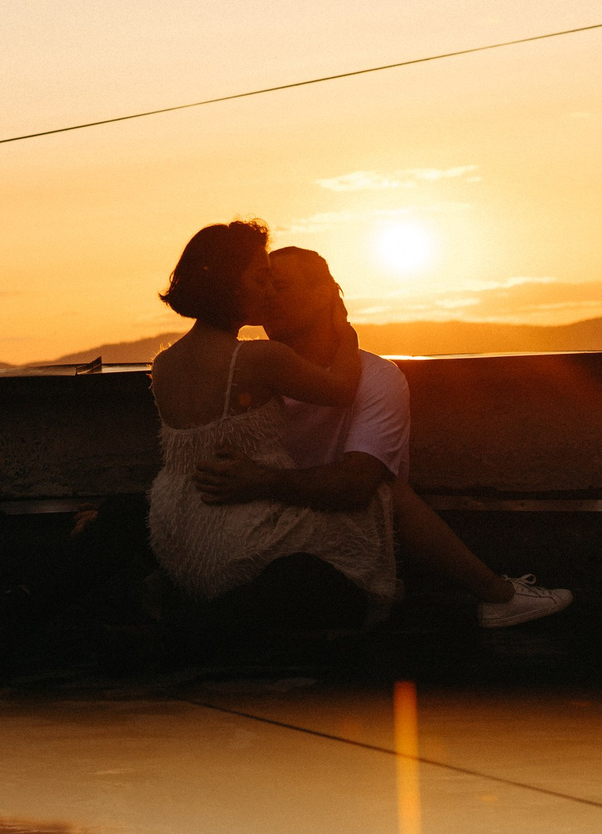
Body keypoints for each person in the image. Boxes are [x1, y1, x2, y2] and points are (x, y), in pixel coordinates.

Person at [192, 246, 573, 629]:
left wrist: (261, 481)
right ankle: (495, 596)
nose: (268, 296)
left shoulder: (375, 377)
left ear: (324, 293)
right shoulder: (248, 374)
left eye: (281, 286)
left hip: (335, 531)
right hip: (259, 531)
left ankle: (495, 595)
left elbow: (358, 483)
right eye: (262, 286)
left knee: (382, 489)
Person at [145, 220, 402, 633]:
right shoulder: (259, 358)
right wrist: (346, 334)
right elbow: (340, 389)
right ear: (231, 283)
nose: (268, 291)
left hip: (176, 530)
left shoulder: (164, 363)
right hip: (237, 533)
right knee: (374, 506)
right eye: (261, 278)